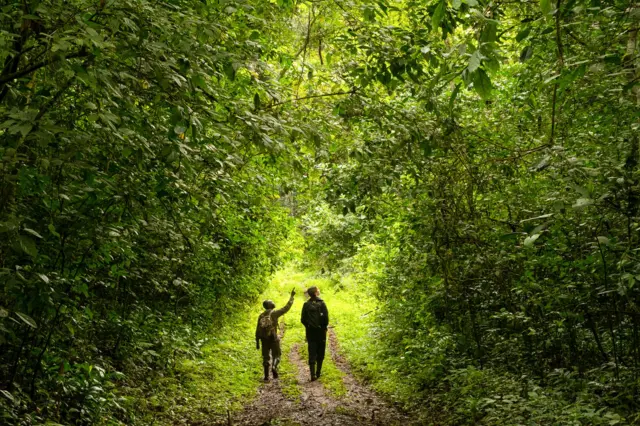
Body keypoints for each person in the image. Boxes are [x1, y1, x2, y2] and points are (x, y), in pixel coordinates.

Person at [256, 289, 295, 382]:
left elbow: (257, 329)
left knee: (266, 357)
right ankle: (274, 367)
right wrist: (292, 297)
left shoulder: (261, 315)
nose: (273, 302)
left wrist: (257, 341)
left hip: (264, 339)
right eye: (271, 302)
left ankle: (266, 377)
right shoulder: (275, 313)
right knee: (277, 355)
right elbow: (286, 308)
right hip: (273, 337)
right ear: (269, 305)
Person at [301, 286, 329, 381]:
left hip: (310, 332)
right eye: (318, 290)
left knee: (312, 351)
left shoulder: (306, 305)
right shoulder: (322, 303)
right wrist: (324, 327)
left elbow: (303, 319)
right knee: (320, 351)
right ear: (316, 293)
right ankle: (318, 373)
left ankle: (312, 374)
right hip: (321, 331)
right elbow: (326, 318)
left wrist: (309, 327)